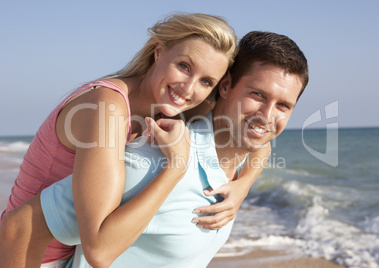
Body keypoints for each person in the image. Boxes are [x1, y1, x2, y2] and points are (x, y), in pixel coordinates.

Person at [0, 31, 309, 268]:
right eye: (257, 94)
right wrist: (174, 168)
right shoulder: (149, 160)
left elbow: (261, 145)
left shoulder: (236, 159)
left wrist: (244, 184)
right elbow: (18, 228)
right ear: (226, 87)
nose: (268, 115)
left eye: (283, 105)